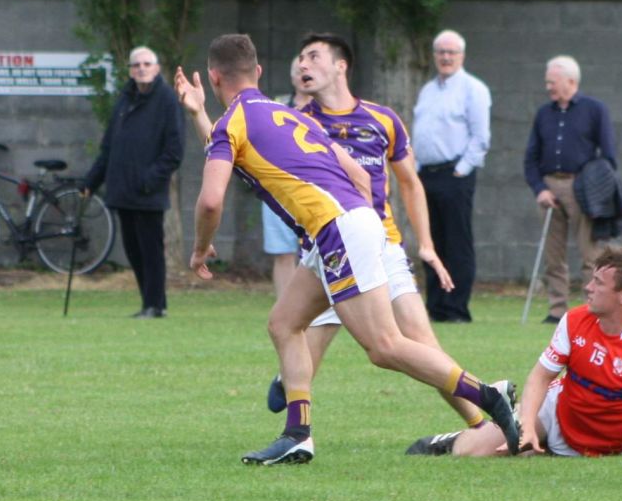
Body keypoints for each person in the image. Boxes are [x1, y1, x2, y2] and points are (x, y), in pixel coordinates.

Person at [174, 33, 518, 465]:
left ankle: (489, 394)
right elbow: (356, 173)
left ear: (213, 76)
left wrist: (200, 249)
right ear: (258, 73)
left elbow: (210, 199)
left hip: (338, 231)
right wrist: (199, 114)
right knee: (284, 323)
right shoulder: (287, 114)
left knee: (384, 346)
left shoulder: (236, 123)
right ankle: (298, 434)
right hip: (349, 225)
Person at [263, 32, 490, 432]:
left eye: (313, 57)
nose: (302, 65)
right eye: (299, 59)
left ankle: (481, 424)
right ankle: (295, 421)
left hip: (381, 245)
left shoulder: (382, 119)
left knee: (422, 341)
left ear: (341, 65)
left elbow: (410, 183)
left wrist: (427, 245)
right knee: (302, 350)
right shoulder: (300, 124)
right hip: (328, 252)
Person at [406, 246, 622, 460]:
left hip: (606, 448)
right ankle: (451, 440)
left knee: (522, 455)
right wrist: (528, 425)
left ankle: (518, 424)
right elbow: (541, 376)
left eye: (599, 283)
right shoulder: (574, 320)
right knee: (478, 453)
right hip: (556, 410)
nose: (588, 287)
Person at [82, 46, 184, 318]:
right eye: (136, 65)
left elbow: (174, 151)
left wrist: (150, 179)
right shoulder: (124, 100)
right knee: (133, 250)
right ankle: (148, 303)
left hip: (148, 192)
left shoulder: (166, 101)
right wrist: (91, 181)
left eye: (147, 64)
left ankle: (156, 305)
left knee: (151, 250)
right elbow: (109, 148)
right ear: (130, 70)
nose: (141, 68)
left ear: (157, 67)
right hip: (122, 190)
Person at [523, 55, 617, 324]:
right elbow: (531, 157)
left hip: (582, 189)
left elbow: (609, 156)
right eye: (547, 82)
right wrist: (540, 189)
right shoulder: (543, 113)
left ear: (571, 81)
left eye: (552, 82)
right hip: (550, 188)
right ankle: (557, 310)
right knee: (554, 255)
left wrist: (593, 187)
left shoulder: (595, 109)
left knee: (591, 254)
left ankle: (593, 310)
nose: (548, 87)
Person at [411, 29, 491, 323]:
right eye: (441, 52)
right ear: (434, 56)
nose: (445, 57)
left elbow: (481, 137)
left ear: (462, 56)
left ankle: (456, 308)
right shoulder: (428, 90)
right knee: (431, 242)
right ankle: (436, 307)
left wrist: (461, 170)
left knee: (457, 244)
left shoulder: (474, 89)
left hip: (455, 174)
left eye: (451, 52)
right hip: (426, 175)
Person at [261, 57, 312, 296]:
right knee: (282, 253)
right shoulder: (276, 106)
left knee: (316, 252)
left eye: (308, 71)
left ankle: (313, 307)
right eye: (298, 72)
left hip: (315, 190)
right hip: (278, 190)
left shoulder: (328, 109)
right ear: (292, 77)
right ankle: (285, 305)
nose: (303, 76)